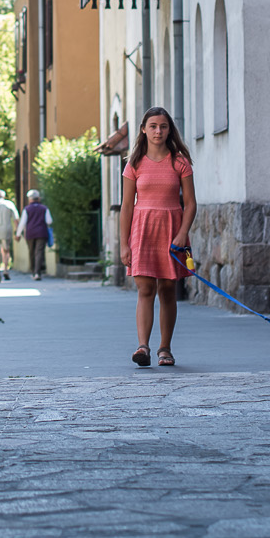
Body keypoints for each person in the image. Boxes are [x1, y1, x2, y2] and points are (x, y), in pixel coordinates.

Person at [120, 106, 196, 367]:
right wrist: (124, 244)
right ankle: (143, 347)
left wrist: (183, 233)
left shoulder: (179, 162)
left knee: (167, 290)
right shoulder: (134, 164)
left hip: (173, 231)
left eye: (163, 126)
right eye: (153, 126)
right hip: (142, 232)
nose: (158, 131)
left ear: (169, 130)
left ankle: (165, 348)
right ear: (143, 129)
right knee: (145, 289)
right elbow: (127, 206)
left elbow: (191, 204)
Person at [21, 188, 53, 280]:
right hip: (42, 233)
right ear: (38, 198)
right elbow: (49, 221)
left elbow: (23, 223)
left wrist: (18, 234)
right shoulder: (44, 208)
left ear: (30, 199)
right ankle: (38, 273)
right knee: (39, 252)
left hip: (30, 233)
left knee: (31, 252)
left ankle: (33, 271)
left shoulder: (27, 209)